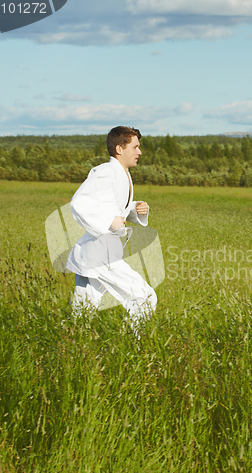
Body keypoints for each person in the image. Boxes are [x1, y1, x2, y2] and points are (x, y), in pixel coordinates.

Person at [65, 126, 157, 335]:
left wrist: (135, 209)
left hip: (96, 253)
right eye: (135, 147)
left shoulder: (122, 174)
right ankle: (133, 344)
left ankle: (68, 346)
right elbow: (79, 203)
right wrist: (108, 221)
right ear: (119, 149)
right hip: (101, 253)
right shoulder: (106, 172)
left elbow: (113, 209)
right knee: (145, 296)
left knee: (82, 311)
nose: (139, 152)